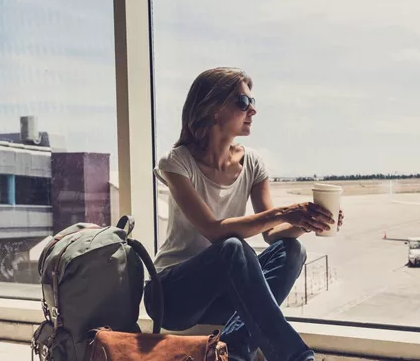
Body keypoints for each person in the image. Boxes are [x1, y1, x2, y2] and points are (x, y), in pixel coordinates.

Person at [144, 67, 344, 361]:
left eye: (253, 101)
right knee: (231, 247)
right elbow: (213, 230)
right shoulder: (176, 162)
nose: (253, 109)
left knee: (291, 250)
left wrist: (307, 221)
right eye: (243, 102)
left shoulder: (252, 163)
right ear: (214, 108)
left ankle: (235, 351)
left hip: (222, 297)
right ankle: (296, 357)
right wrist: (287, 211)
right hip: (171, 296)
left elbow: (272, 234)